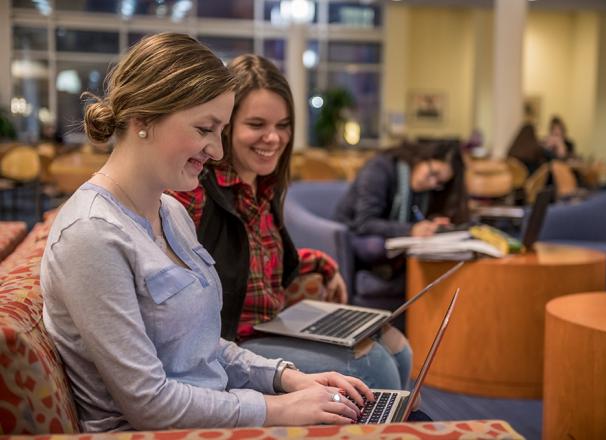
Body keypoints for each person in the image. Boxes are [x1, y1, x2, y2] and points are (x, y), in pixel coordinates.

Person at [40, 33, 373, 432]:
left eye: (221, 131)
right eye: (204, 129)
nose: (217, 150)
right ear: (143, 119)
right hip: (161, 431)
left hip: (215, 417)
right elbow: (150, 404)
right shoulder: (91, 235)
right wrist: (276, 409)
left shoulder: (171, 211)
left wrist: (287, 377)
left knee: (372, 414)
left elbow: (202, 349)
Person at [169, 54, 412, 391]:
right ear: (225, 126)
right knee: (374, 368)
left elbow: (256, 261)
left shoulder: (263, 186)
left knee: (398, 347)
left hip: (270, 326)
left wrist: (321, 263)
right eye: (257, 125)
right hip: (231, 344)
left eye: (282, 126)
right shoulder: (195, 190)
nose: (273, 138)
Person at [334, 141, 469, 301]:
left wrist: (431, 223)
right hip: (354, 231)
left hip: (389, 239)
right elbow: (365, 223)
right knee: (375, 247)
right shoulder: (380, 168)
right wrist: (411, 230)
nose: (432, 183)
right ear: (422, 158)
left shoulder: (421, 189)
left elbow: (413, 217)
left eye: (439, 183)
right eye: (433, 174)